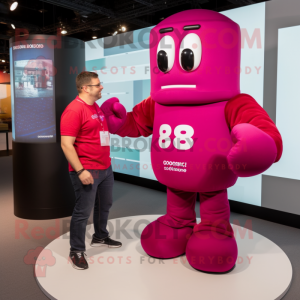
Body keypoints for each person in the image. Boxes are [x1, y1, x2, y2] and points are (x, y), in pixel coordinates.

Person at [60, 71, 122, 270]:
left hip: (105, 167)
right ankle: (76, 250)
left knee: (105, 205)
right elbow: (66, 145)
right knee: (82, 211)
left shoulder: (95, 106)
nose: (101, 87)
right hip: (87, 170)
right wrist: (80, 171)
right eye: (97, 85)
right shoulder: (73, 110)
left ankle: (100, 236)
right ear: (85, 88)